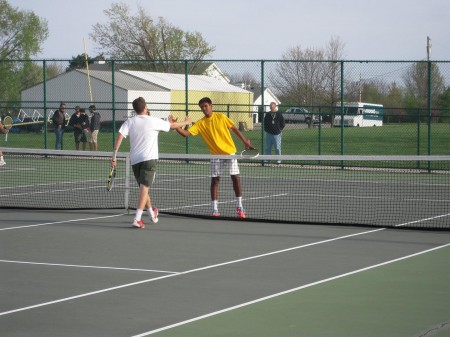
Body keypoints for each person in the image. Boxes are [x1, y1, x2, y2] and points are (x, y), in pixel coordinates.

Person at [111, 97, 192, 229]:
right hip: (149, 159)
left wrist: (114, 157)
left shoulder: (129, 122)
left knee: (144, 188)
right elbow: (172, 126)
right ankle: (137, 219)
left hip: (135, 160)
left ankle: (151, 213)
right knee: (144, 188)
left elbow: (120, 136)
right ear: (145, 108)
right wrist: (186, 121)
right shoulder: (154, 121)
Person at [174, 97, 252, 218]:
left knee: (235, 178)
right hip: (215, 155)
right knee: (215, 180)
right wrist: (175, 126)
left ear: (211, 106)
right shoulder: (200, 123)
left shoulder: (221, 117)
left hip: (230, 152)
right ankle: (215, 209)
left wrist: (244, 141)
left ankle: (239, 206)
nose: (204, 109)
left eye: (205, 106)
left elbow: (234, 128)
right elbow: (185, 134)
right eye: (202, 107)